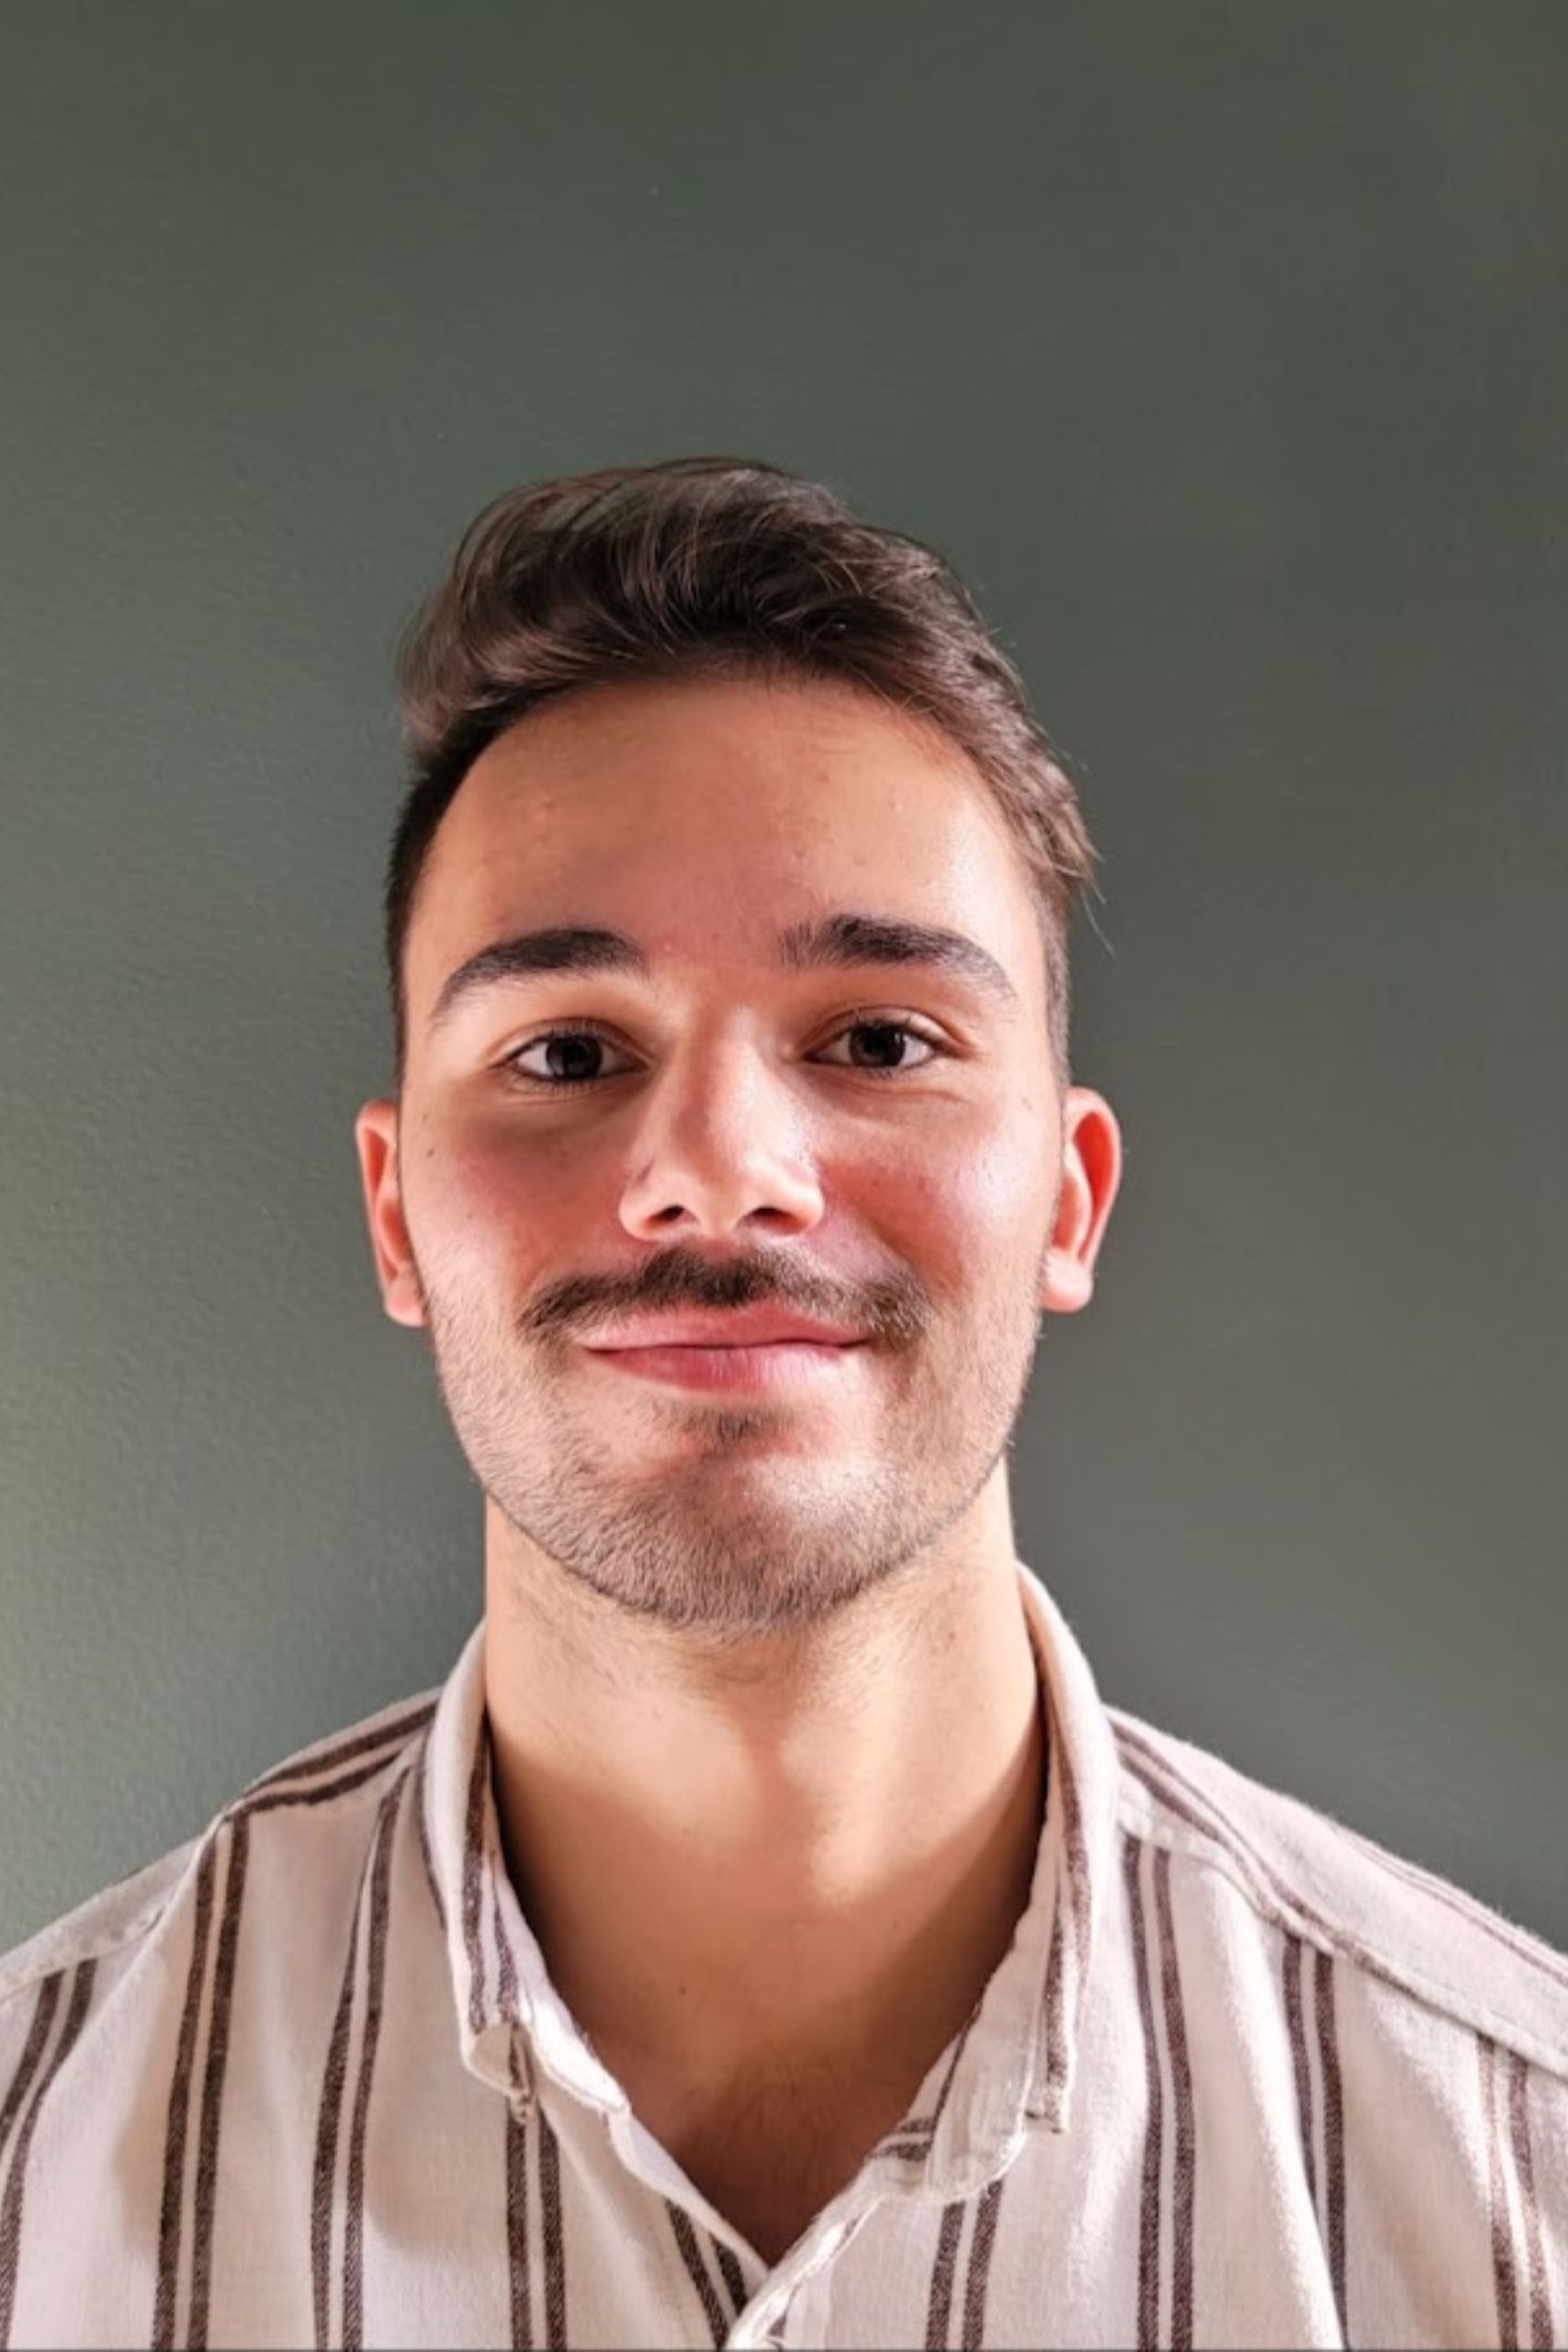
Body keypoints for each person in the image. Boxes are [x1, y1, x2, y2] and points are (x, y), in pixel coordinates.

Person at [0, 459, 1562, 2352]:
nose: (719, 1171)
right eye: (566, 1052)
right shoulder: (30, 2169)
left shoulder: (1521, 2176)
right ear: (395, 1214)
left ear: (1067, 1202)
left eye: (881, 1040)